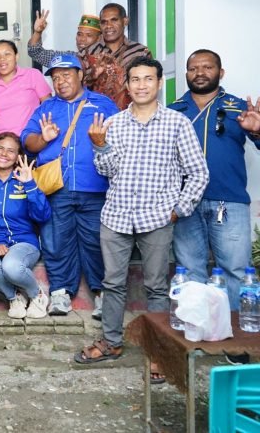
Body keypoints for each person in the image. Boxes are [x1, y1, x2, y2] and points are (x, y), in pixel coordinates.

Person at [75, 57, 208, 385]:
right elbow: (106, 171)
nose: (141, 85)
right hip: (116, 216)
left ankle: (158, 352)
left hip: (158, 217)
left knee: (157, 287)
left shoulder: (177, 123)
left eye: (148, 79)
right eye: (135, 79)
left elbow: (198, 173)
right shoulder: (115, 123)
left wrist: (178, 209)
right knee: (112, 283)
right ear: (127, 85)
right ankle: (111, 342)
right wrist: (100, 146)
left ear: (159, 83)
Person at [22, 54, 119, 318]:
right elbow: (27, 141)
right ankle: (60, 293)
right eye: (55, 78)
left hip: (95, 187)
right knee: (56, 242)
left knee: (97, 242)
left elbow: (123, 139)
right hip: (57, 189)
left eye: (66, 75)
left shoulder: (103, 104)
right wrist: (43, 139)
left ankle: (102, 294)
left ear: (80, 75)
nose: (60, 81)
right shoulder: (46, 108)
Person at [168, 49, 260, 310]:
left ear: (221, 72)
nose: (200, 73)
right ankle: (196, 329)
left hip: (229, 201)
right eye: (193, 68)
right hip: (184, 204)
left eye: (207, 67)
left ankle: (236, 330)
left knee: (236, 270)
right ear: (186, 73)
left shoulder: (239, 108)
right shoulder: (173, 111)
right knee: (189, 271)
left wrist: (257, 132)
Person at [0, 133, 52, 319]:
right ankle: (14, 296)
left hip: (23, 242)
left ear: (18, 157)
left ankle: (37, 295)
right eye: (0, 148)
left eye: (11, 151)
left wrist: (29, 184)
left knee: (12, 266)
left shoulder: (26, 179)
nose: (4, 154)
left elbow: (43, 216)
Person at [0, 39, 52, 140]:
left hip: (30, 139)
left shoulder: (32, 74)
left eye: (7, 54)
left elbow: (48, 105)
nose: (2, 59)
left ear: (16, 56)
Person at [80, 3, 152, 110]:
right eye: (104, 22)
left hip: (131, 114)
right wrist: (93, 77)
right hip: (96, 114)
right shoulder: (87, 53)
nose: (108, 26)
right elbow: (76, 90)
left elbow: (149, 85)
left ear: (125, 21)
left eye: (114, 20)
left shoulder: (140, 52)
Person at [27, 10, 102, 69]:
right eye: (79, 34)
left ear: (99, 38)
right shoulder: (68, 58)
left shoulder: (105, 61)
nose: (82, 39)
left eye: (89, 35)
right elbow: (35, 52)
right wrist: (38, 32)